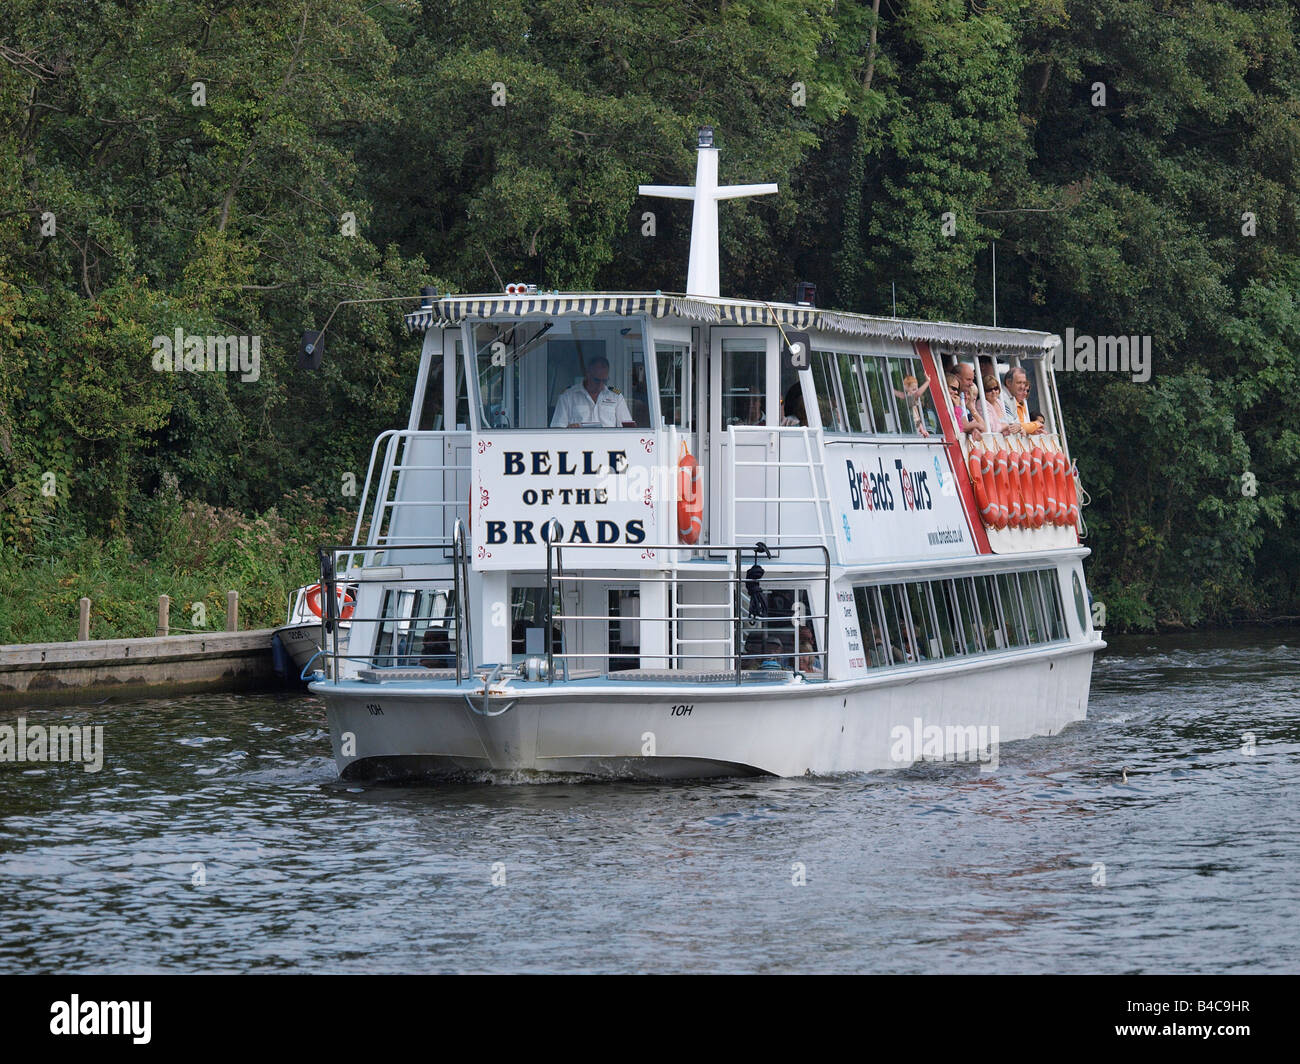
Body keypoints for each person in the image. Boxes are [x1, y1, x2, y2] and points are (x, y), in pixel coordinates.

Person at [551, 355, 634, 427]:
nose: (601, 384)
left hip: (608, 444)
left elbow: (626, 427)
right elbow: (557, 428)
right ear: (587, 374)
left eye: (604, 380)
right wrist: (569, 429)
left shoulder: (616, 397)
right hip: (578, 443)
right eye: (597, 380)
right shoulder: (568, 396)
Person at [1003, 366, 1044, 435]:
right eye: (1019, 383)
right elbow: (1012, 426)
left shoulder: (1011, 398)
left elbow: (1017, 424)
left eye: (1024, 383)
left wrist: (1029, 431)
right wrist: (1036, 424)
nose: (1022, 387)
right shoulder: (1002, 397)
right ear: (1008, 383)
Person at [947, 373, 983, 439]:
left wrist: (973, 429)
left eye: (957, 390)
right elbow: (960, 428)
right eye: (953, 389)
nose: (956, 393)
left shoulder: (960, 406)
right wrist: (976, 425)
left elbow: (983, 428)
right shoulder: (948, 405)